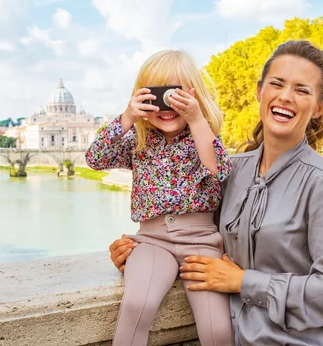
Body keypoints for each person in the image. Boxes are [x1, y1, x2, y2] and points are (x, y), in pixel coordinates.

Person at [109, 40, 323, 345]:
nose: (285, 96)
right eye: (277, 84)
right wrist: (139, 252)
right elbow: (190, 237)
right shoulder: (230, 172)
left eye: (302, 90)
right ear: (259, 91)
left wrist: (242, 281)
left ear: (319, 107)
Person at [86, 50, 234, 346]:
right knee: (136, 305)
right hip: (152, 242)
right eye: (156, 96)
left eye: (175, 96)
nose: (166, 106)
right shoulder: (138, 141)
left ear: (194, 96)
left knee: (217, 327)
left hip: (201, 242)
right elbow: (95, 158)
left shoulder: (202, 136)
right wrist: (127, 117)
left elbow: (218, 169)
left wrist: (197, 119)